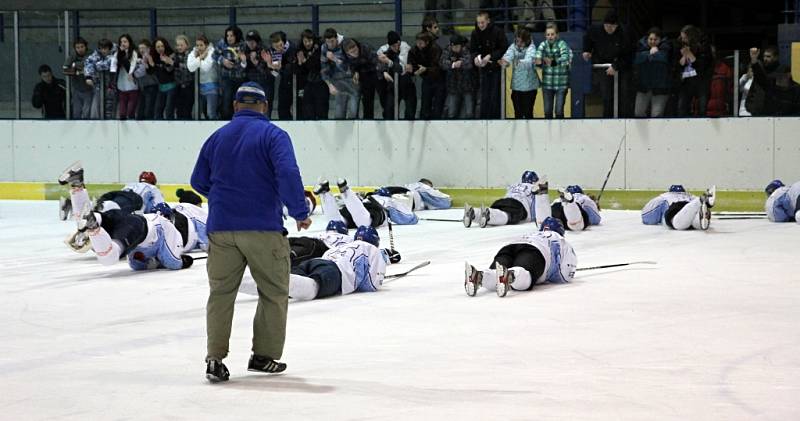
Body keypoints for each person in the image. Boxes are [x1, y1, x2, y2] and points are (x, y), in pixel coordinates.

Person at [190, 82, 312, 382]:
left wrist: (225, 197)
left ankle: (215, 359)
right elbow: (287, 172)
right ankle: (263, 356)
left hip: (220, 229)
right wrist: (299, 211)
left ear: (234, 106)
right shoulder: (274, 135)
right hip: (263, 229)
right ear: (265, 106)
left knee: (221, 294)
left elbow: (197, 181)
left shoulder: (216, 138)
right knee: (272, 292)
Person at [464, 216, 577, 297]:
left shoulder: (533, 233)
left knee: (496, 274)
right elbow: (566, 275)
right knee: (525, 273)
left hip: (508, 248)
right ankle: (510, 275)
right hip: (533, 250)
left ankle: (479, 276)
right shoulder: (558, 238)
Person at [289, 226, 400, 301]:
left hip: (316, 261)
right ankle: (285, 283)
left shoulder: (345, 245)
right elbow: (372, 284)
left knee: (297, 274)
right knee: (313, 287)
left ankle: (279, 281)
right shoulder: (373, 250)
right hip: (335, 271)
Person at [582, 10, 631, 118]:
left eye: (612, 27)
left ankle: (624, 119)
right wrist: (587, 50)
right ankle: (607, 119)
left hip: (620, 65)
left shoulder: (623, 33)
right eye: (607, 26)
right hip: (603, 64)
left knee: (623, 94)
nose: (609, 29)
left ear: (617, 26)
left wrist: (616, 66)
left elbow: (628, 55)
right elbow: (587, 38)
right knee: (606, 95)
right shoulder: (595, 29)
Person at [313, 178, 418, 227]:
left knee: (336, 222)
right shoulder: (389, 200)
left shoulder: (367, 196)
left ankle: (325, 193)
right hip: (373, 210)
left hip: (357, 208)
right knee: (364, 223)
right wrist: (414, 217)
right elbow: (408, 217)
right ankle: (345, 191)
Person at [463, 171, 547, 228]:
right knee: (507, 216)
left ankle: (474, 212)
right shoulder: (534, 187)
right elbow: (538, 207)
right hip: (518, 205)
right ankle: (489, 214)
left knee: (500, 211)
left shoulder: (514, 185)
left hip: (502, 201)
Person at [470, 11, 508, 119]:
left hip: (496, 68)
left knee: (494, 96)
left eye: (482, 22)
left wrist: (490, 56)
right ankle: (484, 119)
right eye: (478, 23)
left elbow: (504, 48)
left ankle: (495, 119)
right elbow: (472, 50)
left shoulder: (497, 32)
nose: (480, 25)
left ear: (488, 21)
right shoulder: (475, 33)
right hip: (483, 69)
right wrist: (476, 58)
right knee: (484, 96)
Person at [749, 47, 800, 116]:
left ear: (788, 75)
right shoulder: (771, 86)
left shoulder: (796, 89)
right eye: (777, 76)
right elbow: (760, 77)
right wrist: (754, 60)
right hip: (767, 118)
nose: (778, 78)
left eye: (781, 76)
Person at [321, 28, 359, 119]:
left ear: (337, 39)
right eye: (328, 42)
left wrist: (334, 59)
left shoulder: (346, 44)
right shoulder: (324, 48)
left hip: (351, 79)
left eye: (332, 41)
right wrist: (329, 85)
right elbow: (323, 69)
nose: (330, 44)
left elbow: (350, 65)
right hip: (337, 81)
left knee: (353, 113)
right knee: (339, 115)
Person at [633, 27, 671, 118]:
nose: (653, 41)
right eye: (650, 39)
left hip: (660, 87)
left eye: (655, 39)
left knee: (656, 115)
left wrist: (648, 56)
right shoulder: (640, 46)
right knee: (638, 113)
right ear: (647, 39)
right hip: (643, 86)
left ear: (660, 40)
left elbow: (664, 58)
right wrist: (651, 54)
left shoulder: (667, 47)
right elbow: (636, 59)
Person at [500, 27, 538, 119]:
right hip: (517, 86)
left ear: (527, 40)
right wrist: (505, 61)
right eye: (517, 41)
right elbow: (508, 55)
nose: (519, 44)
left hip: (530, 86)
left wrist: (521, 62)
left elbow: (530, 60)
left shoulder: (532, 47)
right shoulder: (513, 47)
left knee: (528, 112)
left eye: (521, 42)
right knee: (518, 113)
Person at [641, 184, 716, 230]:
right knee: (695, 222)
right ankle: (701, 211)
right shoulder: (690, 196)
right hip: (689, 206)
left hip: (675, 208)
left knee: (678, 224)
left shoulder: (664, 197)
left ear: (669, 191)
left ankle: (700, 200)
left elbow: (647, 215)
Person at [376, 31, 415, 120]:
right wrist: (384, 71)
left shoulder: (405, 47)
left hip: (406, 83)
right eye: (394, 46)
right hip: (392, 85)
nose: (397, 47)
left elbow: (402, 69)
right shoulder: (383, 50)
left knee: (410, 111)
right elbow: (378, 64)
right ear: (389, 45)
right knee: (389, 111)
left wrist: (389, 62)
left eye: (398, 44)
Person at [675, 25, 712, 117]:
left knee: (702, 108)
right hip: (686, 81)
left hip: (701, 81)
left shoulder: (703, 45)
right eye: (682, 37)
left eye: (685, 37)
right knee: (681, 108)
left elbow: (702, 65)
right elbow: (677, 65)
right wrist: (683, 57)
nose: (683, 40)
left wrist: (689, 54)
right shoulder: (680, 44)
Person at [409, 32, 445, 119]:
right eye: (417, 42)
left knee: (438, 107)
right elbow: (412, 64)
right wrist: (412, 70)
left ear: (427, 42)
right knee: (425, 106)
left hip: (439, 80)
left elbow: (438, 68)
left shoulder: (436, 49)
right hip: (427, 80)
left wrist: (426, 69)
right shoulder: (414, 50)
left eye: (420, 43)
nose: (418, 45)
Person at [287, 220, 353, 267]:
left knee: (281, 245)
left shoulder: (324, 234)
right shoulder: (346, 238)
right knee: (285, 260)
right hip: (315, 248)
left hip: (305, 240)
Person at [214, 26, 247, 120]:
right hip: (226, 77)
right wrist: (222, 60)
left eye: (231, 35)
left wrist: (243, 61)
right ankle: (226, 120)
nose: (229, 38)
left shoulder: (242, 45)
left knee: (238, 101)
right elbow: (214, 55)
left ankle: (239, 120)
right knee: (226, 100)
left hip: (240, 78)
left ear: (237, 36)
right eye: (227, 35)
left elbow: (244, 64)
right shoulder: (222, 43)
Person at [296, 29, 329, 120]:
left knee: (321, 110)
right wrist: (300, 63)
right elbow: (299, 70)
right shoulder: (300, 50)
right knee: (308, 110)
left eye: (309, 41)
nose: (307, 44)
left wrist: (305, 61)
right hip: (308, 84)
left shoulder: (320, 48)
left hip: (321, 82)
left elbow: (316, 65)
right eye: (305, 41)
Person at [343, 38, 379, 120]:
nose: (355, 53)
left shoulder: (366, 48)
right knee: (367, 99)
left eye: (355, 49)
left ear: (357, 46)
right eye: (352, 52)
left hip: (375, 71)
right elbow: (351, 66)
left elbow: (376, 61)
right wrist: (354, 72)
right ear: (347, 53)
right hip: (363, 74)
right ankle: (368, 119)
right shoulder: (346, 56)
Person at [263, 31, 296, 120]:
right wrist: (270, 66)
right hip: (284, 82)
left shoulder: (292, 49)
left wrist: (278, 68)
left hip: (295, 80)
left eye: (281, 45)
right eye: (276, 47)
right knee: (282, 109)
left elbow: (290, 69)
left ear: (284, 42)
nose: (279, 48)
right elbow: (275, 74)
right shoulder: (273, 52)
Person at [440, 34, 474, 119]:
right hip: (453, 85)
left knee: (469, 112)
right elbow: (442, 63)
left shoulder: (466, 50)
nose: (454, 48)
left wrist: (461, 63)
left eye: (456, 46)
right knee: (451, 112)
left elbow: (470, 63)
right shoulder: (447, 50)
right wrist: (453, 64)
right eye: (453, 46)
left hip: (467, 85)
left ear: (461, 45)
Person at [187, 34, 220, 120]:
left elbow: (206, 67)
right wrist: (201, 57)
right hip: (199, 89)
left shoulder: (212, 52)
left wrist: (197, 60)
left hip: (212, 88)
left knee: (211, 113)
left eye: (201, 45)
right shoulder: (194, 52)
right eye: (197, 45)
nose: (199, 47)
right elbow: (190, 67)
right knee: (195, 113)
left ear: (206, 45)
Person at [84, 38, 117, 119]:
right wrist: (88, 77)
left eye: (105, 48)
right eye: (101, 48)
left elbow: (105, 64)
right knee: (95, 108)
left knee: (110, 108)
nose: (103, 51)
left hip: (112, 87)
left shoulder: (116, 54)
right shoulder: (96, 55)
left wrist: (97, 65)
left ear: (109, 48)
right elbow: (88, 63)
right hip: (99, 86)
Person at [62, 37, 93, 119]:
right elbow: (65, 68)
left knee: (87, 113)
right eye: (77, 47)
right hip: (77, 89)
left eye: (82, 47)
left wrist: (74, 65)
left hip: (89, 89)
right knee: (76, 113)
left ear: (86, 46)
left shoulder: (91, 54)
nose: (80, 49)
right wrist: (77, 71)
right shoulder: (73, 55)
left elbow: (86, 63)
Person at [376, 178, 452, 210]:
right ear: (427, 184)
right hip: (407, 198)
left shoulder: (411, 186)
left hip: (397, 192)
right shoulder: (422, 186)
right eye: (431, 187)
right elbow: (443, 201)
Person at [115, 34, 141, 121]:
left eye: (125, 42)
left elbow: (131, 66)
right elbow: (115, 65)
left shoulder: (134, 53)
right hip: (121, 84)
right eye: (121, 42)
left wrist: (130, 73)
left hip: (132, 84)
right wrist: (120, 54)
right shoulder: (117, 53)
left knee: (130, 111)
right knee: (122, 112)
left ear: (130, 42)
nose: (123, 44)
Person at [152, 37, 177, 120]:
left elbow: (170, 70)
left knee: (168, 111)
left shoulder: (171, 55)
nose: (160, 48)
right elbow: (152, 71)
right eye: (158, 47)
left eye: (162, 46)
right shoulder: (155, 58)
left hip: (171, 87)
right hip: (161, 88)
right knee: (157, 111)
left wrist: (167, 62)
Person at [135, 39, 159, 120]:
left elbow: (152, 71)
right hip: (142, 87)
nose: (141, 50)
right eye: (140, 48)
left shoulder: (152, 58)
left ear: (148, 49)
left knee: (149, 110)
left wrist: (147, 63)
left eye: (143, 48)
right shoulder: (138, 59)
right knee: (140, 112)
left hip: (151, 86)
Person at [173, 35, 195, 120]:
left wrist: (174, 63)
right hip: (178, 87)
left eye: (181, 45)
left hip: (188, 86)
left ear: (187, 45)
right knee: (179, 111)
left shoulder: (190, 55)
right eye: (178, 45)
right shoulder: (175, 56)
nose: (179, 47)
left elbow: (188, 67)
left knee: (187, 110)